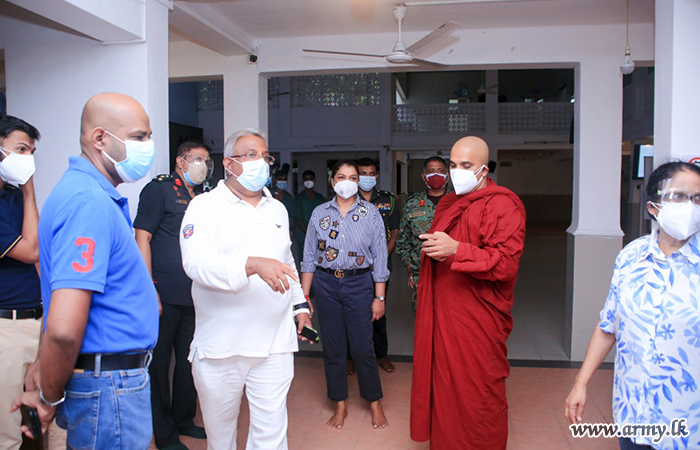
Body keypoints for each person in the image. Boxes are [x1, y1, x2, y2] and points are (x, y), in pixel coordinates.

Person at [11, 93, 159, 449]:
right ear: (100, 138)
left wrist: (44, 365)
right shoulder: (87, 203)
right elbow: (64, 328)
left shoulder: (93, 195)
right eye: (139, 137)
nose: (148, 147)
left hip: (111, 381)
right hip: (109, 386)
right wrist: (48, 399)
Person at [179, 128, 312, 450]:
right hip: (222, 346)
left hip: (274, 342)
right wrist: (251, 265)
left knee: (271, 435)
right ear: (229, 163)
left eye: (265, 156)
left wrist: (300, 305)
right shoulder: (204, 206)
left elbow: (286, 260)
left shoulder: (277, 208)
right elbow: (196, 264)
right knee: (221, 436)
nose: (261, 162)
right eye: (251, 155)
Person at [565, 161, 700, 450]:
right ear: (653, 207)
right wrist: (580, 383)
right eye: (678, 196)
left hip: (688, 423)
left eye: (697, 198)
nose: (689, 207)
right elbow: (608, 326)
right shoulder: (631, 257)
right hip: (633, 412)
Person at [410, 136, 526, 449]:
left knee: (479, 393)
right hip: (444, 315)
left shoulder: (503, 205)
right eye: (453, 165)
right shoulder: (450, 203)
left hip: (477, 320)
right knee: (445, 389)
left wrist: (457, 250)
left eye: (466, 165)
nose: (456, 171)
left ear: (484, 170)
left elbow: (506, 264)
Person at [301, 159, 390, 430]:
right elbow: (309, 256)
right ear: (332, 181)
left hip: (359, 283)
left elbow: (380, 256)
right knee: (334, 348)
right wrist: (304, 297)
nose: (347, 182)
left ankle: (374, 401)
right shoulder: (319, 213)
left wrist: (380, 297)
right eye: (342, 177)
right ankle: (339, 403)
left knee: (363, 347)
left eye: (353, 177)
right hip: (326, 284)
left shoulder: (371, 213)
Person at [134, 141, 212, 450]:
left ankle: (184, 419)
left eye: (206, 160)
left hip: (195, 294)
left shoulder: (202, 197)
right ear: (180, 161)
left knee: (189, 362)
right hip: (163, 294)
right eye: (197, 158)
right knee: (159, 365)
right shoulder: (160, 190)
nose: (203, 165)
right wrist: (149, 289)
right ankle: (164, 434)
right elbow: (142, 238)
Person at [0, 115, 42, 450]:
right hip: (6, 328)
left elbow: (40, 252)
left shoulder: (13, 197)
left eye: (31, 152)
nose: (27, 159)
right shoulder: (21, 196)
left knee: (44, 417)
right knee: (8, 429)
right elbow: (30, 251)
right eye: (21, 150)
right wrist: (29, 191)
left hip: (35, 320)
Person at [356, 157, 399, 373]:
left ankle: (381, 355)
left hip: (381, 267)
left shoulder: (388, 199)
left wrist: (380, 258)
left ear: (377, 175)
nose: (367, 178)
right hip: (355, 267)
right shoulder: (347, 198)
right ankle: (351, 356)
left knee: (378, 309)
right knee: (354, 311)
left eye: (371, 174)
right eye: (363, 174)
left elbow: (395, 233)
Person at [396, 156, 450, 312]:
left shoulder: (458, 202)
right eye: (431, 171)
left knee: (450, 314)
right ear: (424, 176)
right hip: (420, 271)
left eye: (440, 171)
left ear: (447, 175)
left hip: (452, 271)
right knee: (423, 312)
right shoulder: (412, 204)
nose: (436, 175)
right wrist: (409, 267)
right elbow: (402, 240)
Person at [293, 169, 325, 258]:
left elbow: (325, 216)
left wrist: (317, 231)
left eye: (310, 179)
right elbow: (297, 218)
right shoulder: (299, 198)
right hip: (302, 234)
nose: (308, 181)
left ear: (314, 180)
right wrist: (308, 231)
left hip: (319, 233)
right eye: (306, 179)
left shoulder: (320, 198)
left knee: (319, 256)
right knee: (303, 257)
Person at [271, 163, 295, 229]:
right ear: (274, 180)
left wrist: (291, 229)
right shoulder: (268, 194)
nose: (282, 181)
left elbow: (291, 216)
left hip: (285, 228)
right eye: (280, 179)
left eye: (284, 179)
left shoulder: (289, 197)